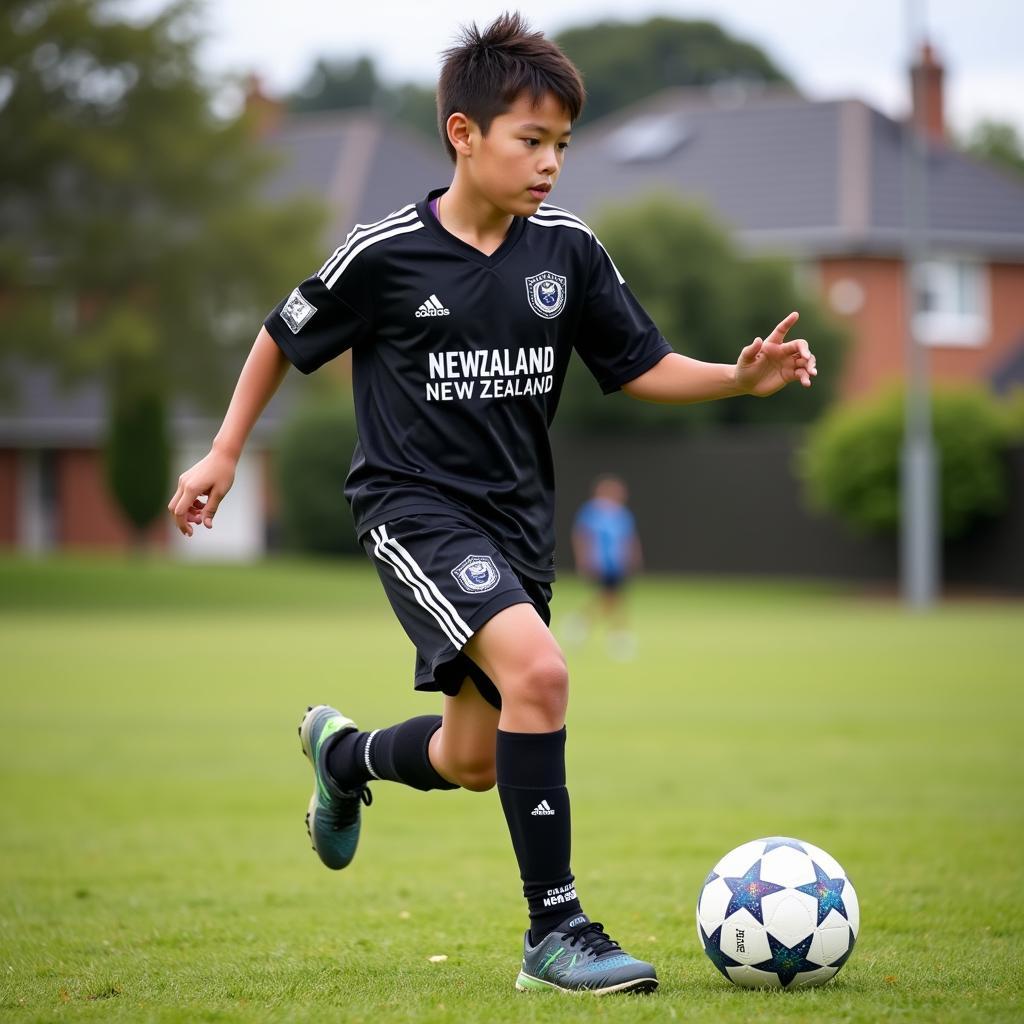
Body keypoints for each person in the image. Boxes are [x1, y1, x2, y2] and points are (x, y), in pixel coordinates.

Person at [168, 12, 816, 996]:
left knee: (475, 758)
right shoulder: (383, 253)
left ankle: (343, 757)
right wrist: (222, 450)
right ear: (463, 136)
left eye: (562, 144)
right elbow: (278, 334)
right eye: (531, 140)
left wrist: (737, 377)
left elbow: (637, 365)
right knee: (542, 674)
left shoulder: (567, 253)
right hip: (412, 508)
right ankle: (554, 934)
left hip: (516, 524)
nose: (551, 162)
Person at [570, 475, 641, 659]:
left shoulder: (622, 514)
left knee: (611, 598)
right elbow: (582, 536)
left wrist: (633, 557)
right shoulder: (591, 512)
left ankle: (581, 624)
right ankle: (618, 637)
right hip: (600, 563)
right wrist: (584, 560)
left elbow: (629, 538)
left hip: (618, 563)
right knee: (612, 598)